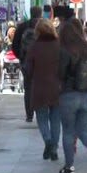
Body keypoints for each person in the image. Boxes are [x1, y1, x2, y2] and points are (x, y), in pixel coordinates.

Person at [58, 18, 87, 173]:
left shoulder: (64, 50)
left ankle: (69, 166)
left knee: (69, 131)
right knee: (84, 131)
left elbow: (61, 73)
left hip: (69, 95)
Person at [26, 19, 61, 161]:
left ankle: (48, 141)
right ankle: (54, 148)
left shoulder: (34, 47)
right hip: (57, 87)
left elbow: (28, 69)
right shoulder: (59, 45)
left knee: (41, 117)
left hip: (40, 87)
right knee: (55, 119)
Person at [12, 6, 43, 122]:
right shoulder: (45, 26)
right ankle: (41, 113)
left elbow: (14, 45)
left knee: (28, 88)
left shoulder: (22, 27)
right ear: (40, 14)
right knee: (42, 88)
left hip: (26, 62)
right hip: (42, 63)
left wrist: (21, 57)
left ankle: (29, 115)